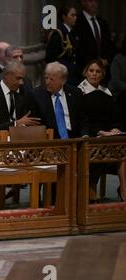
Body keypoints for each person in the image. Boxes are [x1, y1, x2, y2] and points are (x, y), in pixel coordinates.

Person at [78, 59, 126, 202]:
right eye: (91, 71)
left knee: (123, 150)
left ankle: (123, 188)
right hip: (91, 137)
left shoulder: (106, 93)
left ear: (103, 74)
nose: (94, 74)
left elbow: (116, 117)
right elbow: (81, 121)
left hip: (109, 137)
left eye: (98, 72)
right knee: (101, 149)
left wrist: (116, 128)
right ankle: (91, 189)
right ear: (85, 72)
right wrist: (100, 132)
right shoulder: (78, 92)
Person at [0, 61, 42, 130]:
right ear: (7, 76)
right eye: (18, 78)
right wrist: (15, 124)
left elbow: (25, 120)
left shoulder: (23, 93)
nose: (21, 82)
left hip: (21, 137)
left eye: (22, 79)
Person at [33, 62, 86, 139]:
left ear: (63, 80)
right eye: (46, 78)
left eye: (52, 79)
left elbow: (83, 119)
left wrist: (85, 135)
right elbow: (36, 124)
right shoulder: (37, 95)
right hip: (50, 139)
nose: (47, 82)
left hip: (74, 138)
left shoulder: (76, 93)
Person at [46, 3, 80, 85]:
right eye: (72, 15)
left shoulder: (73, 32)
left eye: (76, 15)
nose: (75, 18)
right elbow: (51, 58)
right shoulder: (58, 33)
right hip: (62, 75)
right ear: (64, 16)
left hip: (73, 75)